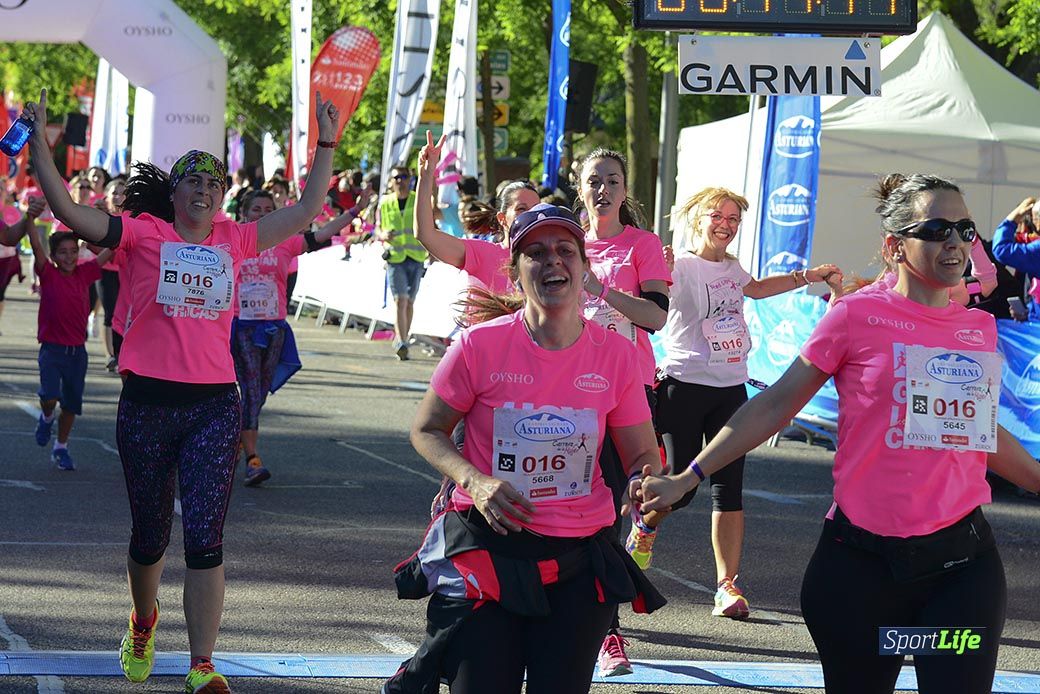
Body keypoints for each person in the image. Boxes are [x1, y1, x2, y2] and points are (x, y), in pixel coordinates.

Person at [638, 174, 1040, 694]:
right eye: (938, 229)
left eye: (964, 229)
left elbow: (977, 434)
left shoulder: (977, 330)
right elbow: (777, 403)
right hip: (861, 577)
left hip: (960, 573)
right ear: (895, 245)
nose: (956, 242)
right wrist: (687, 476)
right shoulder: (856, 316)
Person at [23, 86, 340, 694]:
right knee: (149, 537)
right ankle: (143, 622)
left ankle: (201, 664)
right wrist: (39, 144)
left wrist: (326, 141)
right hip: (146, 404)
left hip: (213, 406)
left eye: (214, 186)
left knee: (204, 536)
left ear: (223, 199)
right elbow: (68, 211)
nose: (203, 191)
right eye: (193, 183)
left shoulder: (236, 239)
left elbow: (305, 210)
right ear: (175, 194)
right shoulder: (141, 232)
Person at [384, 202, 666, 694]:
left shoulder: (616, 354)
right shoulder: (478, 346)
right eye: (535, 253)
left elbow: (642, 452)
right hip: (490, 551)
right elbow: (426, 429)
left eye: (565, 250)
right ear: (514, 273)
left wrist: (643, 481)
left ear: (584, 266)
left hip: (579, 556)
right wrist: (477, 480)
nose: (553, 261)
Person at [655, 186, 840, 621]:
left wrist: (807, 276)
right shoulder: (678, 265)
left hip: (730, 388)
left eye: (734, 219)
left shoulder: (734, 268)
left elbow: (755, 290)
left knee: (728, 489)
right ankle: (644, 524)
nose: (726, 224)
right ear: (698, 218)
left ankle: (726, 586)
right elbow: (651, 299)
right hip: (683, 386)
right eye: (718, 216)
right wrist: (654, 270)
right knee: (681, 488)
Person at [572, 148, 672, 676]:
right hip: (569, 392)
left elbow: (656, 316)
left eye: (613, 180)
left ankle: (608, 634)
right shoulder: (565, 242)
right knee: (572, 506)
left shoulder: (642, 244)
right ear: (580, 188)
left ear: (624, 188)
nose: (604, 189)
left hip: (630, 391)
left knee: (608, 510)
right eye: (595, 181)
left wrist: (601, 290)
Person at [231, 188, 369, 486]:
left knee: (261, 391)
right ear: (244, 213)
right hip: (243, 328)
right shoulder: (235, 240)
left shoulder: (284, 244)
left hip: (275, 328)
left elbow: (321, 234)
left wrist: (356, 211)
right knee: (252, 390)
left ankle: (238, 438)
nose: (263, 214)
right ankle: (252, 460)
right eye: (257, 209)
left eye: (269, 209)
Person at [26, 217, 112, 469]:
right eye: (63, 252)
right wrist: (30, 218)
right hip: (52, 350)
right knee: (50, 396)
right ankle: (46, 415)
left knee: (72, 403)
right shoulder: (48, 273)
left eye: (73, 251)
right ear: (53, 256)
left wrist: (120, 224)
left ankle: (61, 447)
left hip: (77, 353)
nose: (69, 257)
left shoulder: (84, 273)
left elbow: (108, 253)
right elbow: (35, 243)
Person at [415, 132, 539, 295]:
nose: (530, 215)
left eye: (536, 209)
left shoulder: (551, 260)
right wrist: (425, 177)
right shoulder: (482, 253)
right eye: (521, 209)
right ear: (502, 219)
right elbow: (426, 234)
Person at [378, 164, 425, 360]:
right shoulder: (385, 202)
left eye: (404, 177)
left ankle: (404, 337)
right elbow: (377, 228)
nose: (400, 181)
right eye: (396, 177)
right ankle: (401, 340)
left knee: (410, 302)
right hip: (395, 257)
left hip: (416, 257)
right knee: (400, 300)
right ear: (391, 181)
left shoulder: (417, 200)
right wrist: (383, 235)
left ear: (409, 179)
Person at [992, 196, 1040, 320]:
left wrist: (1013, 218)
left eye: (1034, 218)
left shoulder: (1036, 251)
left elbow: (1001, 249)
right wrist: (1027, 314)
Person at [96, 178, 127, 371]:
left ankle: (122, 354)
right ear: (106, 196)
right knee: (109, 313)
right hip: (106, 270)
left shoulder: (132, 219)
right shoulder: (101, 219)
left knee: (124, 314)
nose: (118, 197)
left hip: (126, 272)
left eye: (123, 193)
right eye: (114, 192)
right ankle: (110, 355)